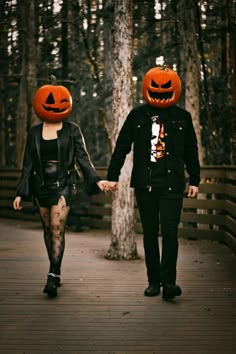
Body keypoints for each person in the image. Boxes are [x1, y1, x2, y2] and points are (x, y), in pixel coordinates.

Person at [106, 66, 200, 300]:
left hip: (172, 185)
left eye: (165, 87)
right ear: (146, 88)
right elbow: (122, 146)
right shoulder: (137, 116)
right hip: (145, 185)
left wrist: (195, 180)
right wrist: (112, 176)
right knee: (149, 233)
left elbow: (191, 151)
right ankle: (153, 282)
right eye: (154, 87)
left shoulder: (183, 117)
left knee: (169, 232)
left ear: (173, 89)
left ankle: (169, 283)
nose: (159, 91)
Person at [13, 82, 107, 298]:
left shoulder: (72, 130)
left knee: (56, 228)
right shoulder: (34, 132)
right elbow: (28, 163)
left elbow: (83, 157)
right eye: (49, 102)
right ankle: (54, 268)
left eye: (60, 101)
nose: (54, 105)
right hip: (40, 187)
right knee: (48, 229)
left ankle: (53, 274)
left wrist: (96, 180)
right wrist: (21, 191)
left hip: (63, 185)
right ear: (40, 105)